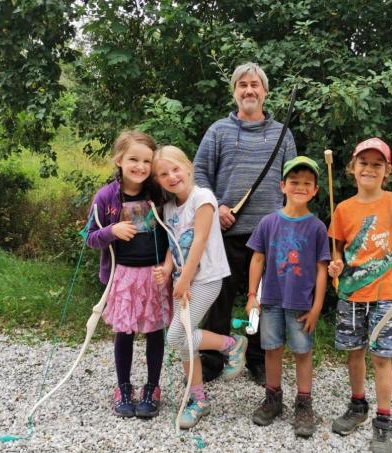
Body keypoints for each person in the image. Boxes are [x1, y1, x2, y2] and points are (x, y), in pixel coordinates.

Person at [193, 62, 297, 385]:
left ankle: (257, 358)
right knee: (217, 298)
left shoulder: (283, 134)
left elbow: (293, 181)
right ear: (235, 92)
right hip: (223, 234)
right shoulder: (218, 131)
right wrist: (217, 207)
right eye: (243, 85)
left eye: (255, 85)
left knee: (263, 301)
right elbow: (198, 176)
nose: (249, 90)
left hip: (268, 238)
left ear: (265, 92)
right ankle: (211, 359)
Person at [326, 138, 392, 453]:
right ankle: (357, 406)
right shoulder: (342, 209)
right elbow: (337, 252)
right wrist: (336, 266)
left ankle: (383, 420)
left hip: (385, 295)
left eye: (376, 164)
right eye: (363, 162)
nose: (369, 168)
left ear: (386, 170)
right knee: (354, 353)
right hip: (352, 295)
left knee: (381, 357)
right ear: (352, 168)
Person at [152, 145, 249, 429]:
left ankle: (231, 344)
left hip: (205, 279)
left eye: (175, 169)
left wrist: (184, 278)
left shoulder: (203, 197)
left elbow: (200, 239)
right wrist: (168, 269)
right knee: (183, 342)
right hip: (184, 281)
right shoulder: (170, 208)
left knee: (175, 339)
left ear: (189, 167)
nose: (171, 176)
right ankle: (198, 399)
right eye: (164, 174)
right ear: (158, 181)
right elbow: (174, 243)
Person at [85, 130, 172, 419]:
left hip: (155, 274)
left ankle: (152, 387)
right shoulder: (106, 196)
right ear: (119, 160)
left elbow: (175, 226)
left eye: (147, 161)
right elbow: (90, 236)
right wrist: (113, 230)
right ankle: (123, 387)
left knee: (154, 330)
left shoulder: (158, 193)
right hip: (121, 276)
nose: (140, 166)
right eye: (133, 159)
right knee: (124, 331)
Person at [245, 156, 330, 437]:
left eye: (307, 183)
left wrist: (317, 306)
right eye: (294, 182)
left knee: (302, 352)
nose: (300, 187)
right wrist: (251, 296)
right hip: (270, 301)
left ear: (315, 190)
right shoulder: (268, 222)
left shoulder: (317, 227)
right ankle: (273, 398)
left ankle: (304, 403)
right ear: (282, 185)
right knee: (272, 349)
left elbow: (322, 269)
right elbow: (257, 260)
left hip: (301, 305)